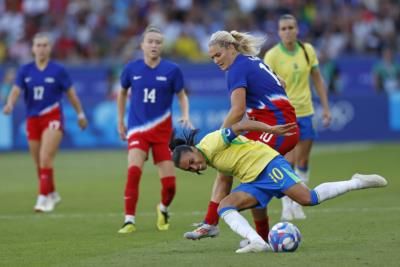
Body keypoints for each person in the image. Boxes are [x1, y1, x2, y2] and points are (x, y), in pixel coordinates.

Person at [170, 120, 387, 253]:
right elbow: (221, 189)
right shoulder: (208, 157)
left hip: (268, 164)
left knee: (308, 199)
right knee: (225, 206)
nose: (194, 167)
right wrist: (210, 222)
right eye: (189, 169)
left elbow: (243, 125)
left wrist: (270, 129)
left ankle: (356, 181)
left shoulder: (211, 142)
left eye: (191, 162)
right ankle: (257, 242)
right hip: (254, 180)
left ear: (192, 149)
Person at [184, 30, 299, 242]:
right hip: (272, 125)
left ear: (230, 48)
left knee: (249, 174)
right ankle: (213, 223)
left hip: (277, 129)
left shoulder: (236, 69)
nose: (216, 61)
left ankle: (256, 233)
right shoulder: (252, 60)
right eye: (212, 58)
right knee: (226, 167)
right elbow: (281, 83)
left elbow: (237, 110)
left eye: (218, 55)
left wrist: (220, 135)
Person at [117, 26, 192, 234]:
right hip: (137, 129)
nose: (154, 45)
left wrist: (185, 114)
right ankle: (129, 220)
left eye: (158, 42)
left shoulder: (172, 70)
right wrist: (120, 121)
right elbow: (122, 93)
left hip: (162, 134)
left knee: (170, 186)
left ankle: (163, 208)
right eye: (150, 41)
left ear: (162, 46)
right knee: (133, 171)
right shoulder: (131, 69)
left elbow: (182, 95)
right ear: (142, 45)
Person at [2, 32, 88, 212]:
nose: (41, 49)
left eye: (45, 45)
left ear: (50, 48)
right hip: (33, 119)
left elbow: (71, 95)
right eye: (38, 45)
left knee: (45, 157)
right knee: (39, 163)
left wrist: (80, 114)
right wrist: (9, 104)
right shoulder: (25, 70)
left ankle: (42, 198)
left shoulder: (58, 70)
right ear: (33, 49)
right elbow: (16, 90)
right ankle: (53, 193)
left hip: (53, 117)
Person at [264, 14, 331, 221]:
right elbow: (265, 86)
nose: (287, 31)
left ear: (297, 29)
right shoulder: (272, 56)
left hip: (306, 112)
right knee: (288, 161)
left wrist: (326, 108)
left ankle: (298, 202)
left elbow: (318, 80)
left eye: (290, 27)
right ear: (278, 32)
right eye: (283, 28)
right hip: (284, 115)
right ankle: (287, 204)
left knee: (303, 160)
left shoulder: (307, 50)